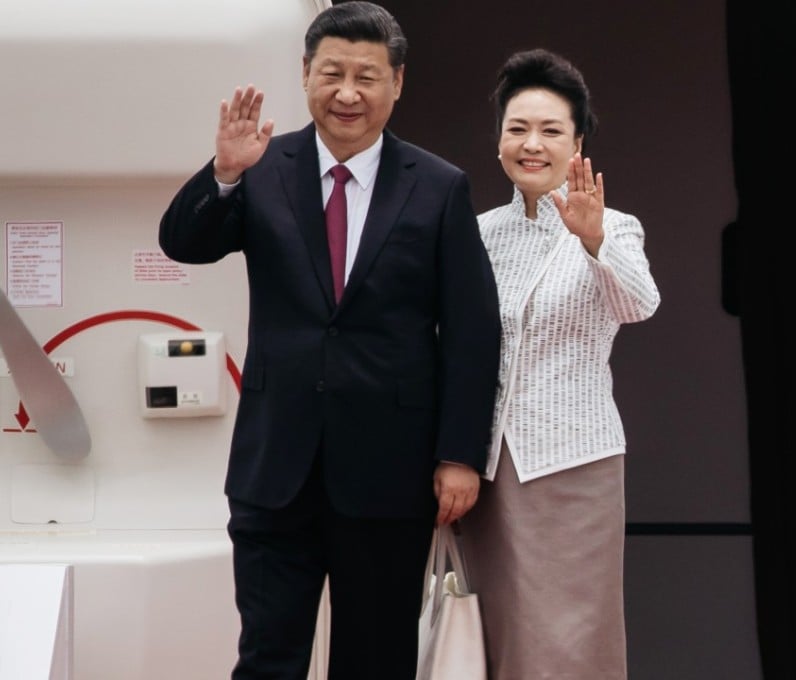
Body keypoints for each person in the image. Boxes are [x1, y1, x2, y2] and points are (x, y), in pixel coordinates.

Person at [157, 2, 501, 678]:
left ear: (397, 83)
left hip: (390, 473)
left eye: (366, 77)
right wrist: (224, 173)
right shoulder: (262, 167)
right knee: (268, 657)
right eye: (332, 73)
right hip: (275, 467)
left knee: (376, 661)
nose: (348, 93)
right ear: (305, 74)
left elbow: (471, 329)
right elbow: (183, 243)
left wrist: (459, 454)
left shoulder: (438, 187)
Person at [457, 48, 661, 680]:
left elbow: (639, 304)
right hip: (487, 470)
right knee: (497, 637)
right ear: (499, 141)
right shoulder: (479, 231)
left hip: (572, 462)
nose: (532, 144)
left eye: (550, 131)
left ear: (577, 144)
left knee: (570, 640)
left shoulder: (614, 225)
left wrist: (593, 239)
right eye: (517, 128)